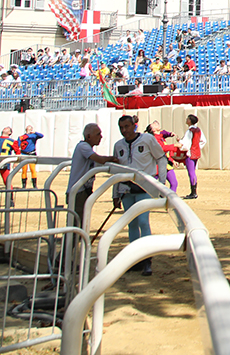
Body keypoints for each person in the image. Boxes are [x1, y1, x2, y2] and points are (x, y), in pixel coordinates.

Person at [111, 115, 168, 276]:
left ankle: (147, 259)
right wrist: (115, 193)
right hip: (126, 190)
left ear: (134, 126)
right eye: (121, 127)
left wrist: (161, 183)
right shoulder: (118, 145)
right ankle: (135, 260)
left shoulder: (147, 140)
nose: (124, 130)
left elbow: (161, 158)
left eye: (127, 127)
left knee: (143, 221)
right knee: (132, 224)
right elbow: (116, 169)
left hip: (145, 188)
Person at [68, 123, 114, 225]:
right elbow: (100, 160)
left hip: (82, 190)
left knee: (80, 223)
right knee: (76, 223)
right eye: (98, 134)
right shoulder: (83, 146)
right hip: (78, 191)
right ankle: (71, 241)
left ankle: (74, 240)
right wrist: (114, 159)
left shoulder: (84, 147)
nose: (101, 137)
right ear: (89, 136)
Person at [147, 121, 181, 192]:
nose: (156, 123)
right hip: (158, 165)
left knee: (174, 183)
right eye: (154, 124)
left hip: (166, 164)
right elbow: (162, 148)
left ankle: (171, 200)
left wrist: (172, 161)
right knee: (154, 184)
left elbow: (165, 153)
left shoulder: (160, 136)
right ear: (153, 130)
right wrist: (174, 145)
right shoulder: (154, 138)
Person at [178, 114, 206, 199]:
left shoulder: (189, 131)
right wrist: (197, 147)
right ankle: (193, 192)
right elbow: (203, 141)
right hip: (196, 153)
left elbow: (186, 144)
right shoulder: (198, 130)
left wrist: (180, 144)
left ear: (189, 121)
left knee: (191, 173)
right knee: (192, 172)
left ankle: (193, 192)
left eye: (187, 119)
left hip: (190, 153)